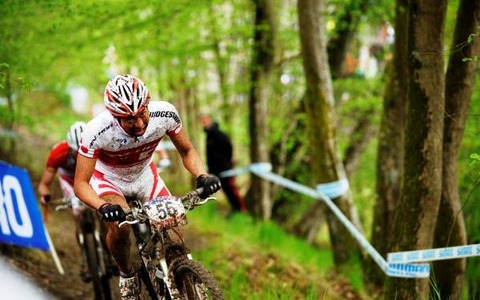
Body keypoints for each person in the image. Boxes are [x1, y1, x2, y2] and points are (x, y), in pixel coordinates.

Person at [74, 74, 221, 300]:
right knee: (120, 227)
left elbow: (187, 151)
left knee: (174, 229)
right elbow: (81, 184)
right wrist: (102, 205)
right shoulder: (95, 132)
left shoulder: (165, 113)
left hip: (144, 176)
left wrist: (202, 175)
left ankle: (179, 275)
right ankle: (127, 275)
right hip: (110, 181)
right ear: (115, 116)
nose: (140, 124)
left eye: (142, 113)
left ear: (148, 102)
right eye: (130, 119)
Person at [37, 121, 92, 282]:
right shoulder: (58, 153)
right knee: (77, 214)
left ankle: (106, 244)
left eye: (84, 150)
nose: (80, 154)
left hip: (91, 177)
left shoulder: (98, 145)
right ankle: (86, 259)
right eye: (77, 151)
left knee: (101, 211)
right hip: (69, 180)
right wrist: (45, 195)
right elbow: (43, 184)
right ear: (70, 146)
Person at [201, 114, 247, 214]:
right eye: (202, 122)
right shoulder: (209, 135)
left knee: (231, 189)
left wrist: (228, 160)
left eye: (205, 121)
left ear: (210, 120)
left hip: (225, 169)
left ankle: (242, 210)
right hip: (217, 170)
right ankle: (235, 210)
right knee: (226, 190)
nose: (203, 124)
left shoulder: (217, 134)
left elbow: (228, 146)